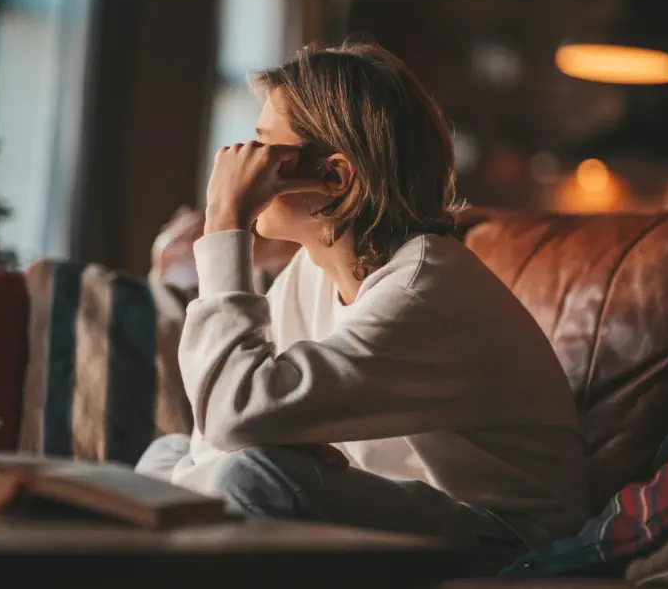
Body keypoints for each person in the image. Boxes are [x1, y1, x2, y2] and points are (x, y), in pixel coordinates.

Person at [136, 42, 588, 573]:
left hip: (505, 538)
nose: (238, 168)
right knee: (164, 458)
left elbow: (233, 418)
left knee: (250, 477)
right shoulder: (311, 270)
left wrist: (224, 223)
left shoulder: (424, 291)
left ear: (334, 179)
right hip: (405, 505)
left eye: (262, 151)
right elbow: (219, 426)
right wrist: (269, 440)